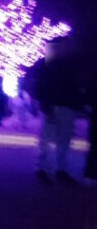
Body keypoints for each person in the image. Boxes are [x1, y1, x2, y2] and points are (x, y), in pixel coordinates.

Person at [34, 38, 85, 186]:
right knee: (48, 138)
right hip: (55, 105)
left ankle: (59, 169)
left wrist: (78, 102)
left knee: (64, 139)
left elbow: (76, 86)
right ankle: (43, 168)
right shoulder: (49, 64)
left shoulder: (71, 64)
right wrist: (46, 104)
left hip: (67, 106)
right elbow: (42, 86)